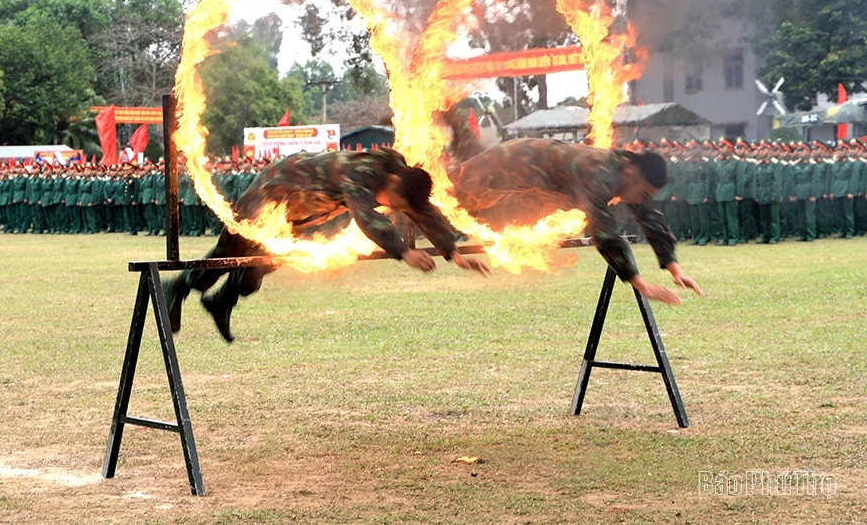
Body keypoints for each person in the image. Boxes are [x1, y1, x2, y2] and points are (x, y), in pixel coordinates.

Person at [163, 148, 491, 342]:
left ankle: (220, 301)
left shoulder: (399, 176)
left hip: (301, 208)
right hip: (276, 190)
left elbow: (420, 208)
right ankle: (177, 286)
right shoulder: (363, 172)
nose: (391, 206)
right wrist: (403, 250)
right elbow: (364, 214)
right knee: (231, 251)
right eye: (393, 200)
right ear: (390, 182)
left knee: (262, 265)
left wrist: (454, 253)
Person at [446, 137, 704, 307]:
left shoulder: (624, 174)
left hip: (524, 187)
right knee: (440, 194)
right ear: (630, 172)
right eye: (644, 193)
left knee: (446, 202)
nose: (642, 199)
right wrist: (643, 285)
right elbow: (604, 232)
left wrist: (675, 269)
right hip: (502, 168)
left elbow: (648, 215)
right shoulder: (599, 172)